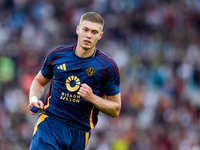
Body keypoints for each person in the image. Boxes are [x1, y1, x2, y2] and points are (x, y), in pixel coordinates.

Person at [27, 12, 121, 150]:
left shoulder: (107, 66)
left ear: (100, 35)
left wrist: (92, 98)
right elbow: (39, 82)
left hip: (80, 133)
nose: (88, 35)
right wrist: (34, 99)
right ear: (78, 29)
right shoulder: (57, 55)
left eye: (94, 32)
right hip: (50, 125)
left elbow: (115, 109)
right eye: (86, 30)